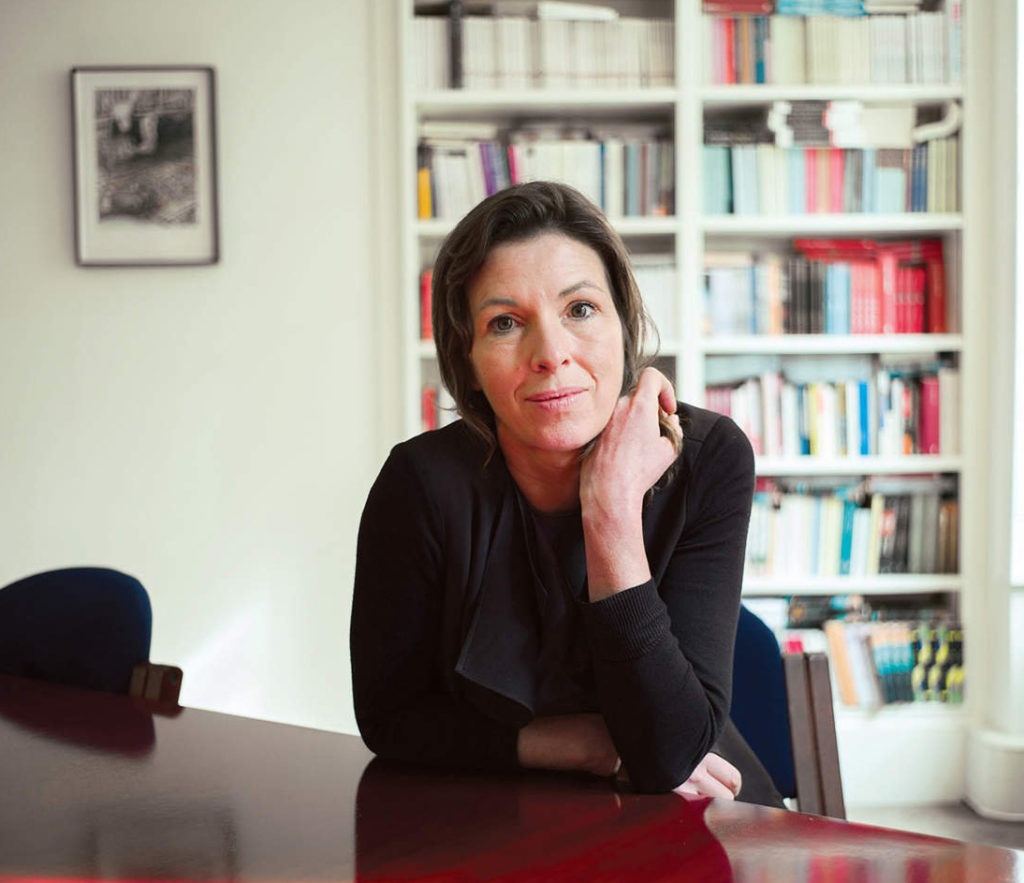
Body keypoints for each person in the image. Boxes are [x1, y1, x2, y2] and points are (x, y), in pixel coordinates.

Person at [351, 181, 783, 805]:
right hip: (500, 810)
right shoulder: (419, 484)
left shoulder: (708, 458)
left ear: (623, 326)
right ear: (468, 361)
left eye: (580, 309)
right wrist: (581, 744)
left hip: (694, 801)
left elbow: (668, 755)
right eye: (505, 323)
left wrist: (610, 509)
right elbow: (390, 721)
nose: (551, 354)